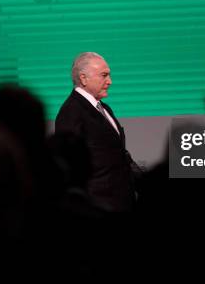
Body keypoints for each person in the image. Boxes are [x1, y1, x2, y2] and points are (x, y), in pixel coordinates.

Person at [55, 52, 141, 212]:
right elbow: (70, 165)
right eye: (104, 75)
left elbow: (119, 153)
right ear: (83, 78)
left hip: (122, 203)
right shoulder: (71, 112)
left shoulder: (104, 108)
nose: (110, 81)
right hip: (98, 208)